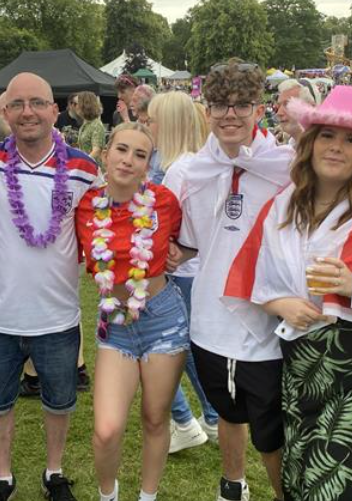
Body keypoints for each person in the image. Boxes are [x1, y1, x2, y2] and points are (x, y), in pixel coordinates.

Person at [226, 85, 352, 500]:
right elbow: (259, 277)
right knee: (304, 483)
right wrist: (278, 303)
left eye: (351, 140)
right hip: (304, 365)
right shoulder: (283, 206)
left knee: (331, 488)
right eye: (327, 135)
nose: (337, 148)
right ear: (310, 142)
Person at [164, 60, 294, 501]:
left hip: (267, 323)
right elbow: (191, 243)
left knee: (271, 429)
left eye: (242, 105)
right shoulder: (190, 171)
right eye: (220, 105)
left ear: (260, 109)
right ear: (207, 109)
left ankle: (281, 494)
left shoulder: (288, 168)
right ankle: (233, 486)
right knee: (227, 413)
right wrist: (169, 252)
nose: (230, 115)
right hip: (209, 319)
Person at [0, 72, 98, 501]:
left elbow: (111, 218)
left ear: (54, 109)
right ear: (5, 112)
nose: (28, 112)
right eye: (18, 104)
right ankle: (4, 476)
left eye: (38, 103)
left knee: (60, 401)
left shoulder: (84, 168)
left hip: (58, 313)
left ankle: (54, 471)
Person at [76, 122, 186, 501]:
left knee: (155, 418)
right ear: (106, 153)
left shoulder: (165, 201)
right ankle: (109, 495)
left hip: (163, 317)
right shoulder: (87, 206)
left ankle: (147, 496)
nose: (129, 160)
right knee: (107, 428)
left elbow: (187, 245)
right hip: (115, 322)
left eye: (141, 154)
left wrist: (178, 254)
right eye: (122, 150)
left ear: (148, 164)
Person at [146, 92, 219, 452]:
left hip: (180, 271)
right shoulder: (196, 163)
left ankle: (191, 418)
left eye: (153, 120)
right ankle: (209, 415)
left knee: (160, 347)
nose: (148, 126)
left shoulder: (177, 170)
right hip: (194, 270)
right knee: (186, 347)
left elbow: (165, 228)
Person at [76, 91, 106, 159]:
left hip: (93, 166)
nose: (76, 106)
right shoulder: (85, 124)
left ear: (85, 105)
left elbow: (97, 151)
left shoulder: (96, 125)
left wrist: (83, 162)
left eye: (78, 103)